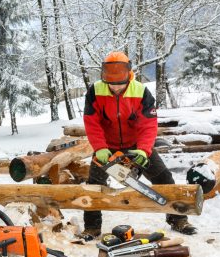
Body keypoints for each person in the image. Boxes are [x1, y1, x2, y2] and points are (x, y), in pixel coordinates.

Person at [81, 51, 197, 240]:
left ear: (129, 76)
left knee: (164, 177)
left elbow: (148, 124)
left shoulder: (141, 92)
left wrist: (143, 149)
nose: (116, 88)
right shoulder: (95, 91)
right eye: (112, 84)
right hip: (106, 147)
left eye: (120, 85)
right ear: (105, 78)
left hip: (136, 145)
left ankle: (178, 219)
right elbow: (92, 122)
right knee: (94, 184)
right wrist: (100, 147)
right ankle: (92, 227)